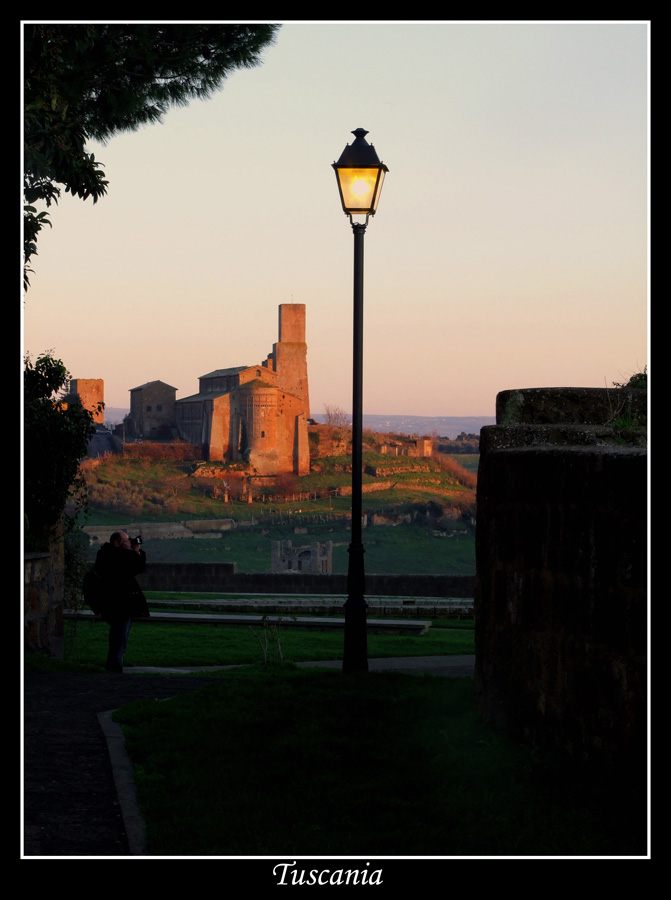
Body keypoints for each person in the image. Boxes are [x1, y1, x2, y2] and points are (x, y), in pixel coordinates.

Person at [94, 531, 149, 673]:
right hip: (118, 604)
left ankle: (113, 665)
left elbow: (137, 567)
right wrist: (133, 552)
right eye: (126, 540)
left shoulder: (114, 554)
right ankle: (115, 668)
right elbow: (130, 566)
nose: (129, 542)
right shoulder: (111, 555)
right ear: (117, 543)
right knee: (120, 638)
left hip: (121, 603)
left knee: (118, 636)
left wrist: (135, 551)